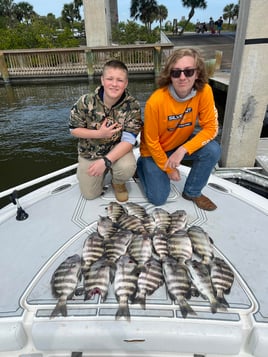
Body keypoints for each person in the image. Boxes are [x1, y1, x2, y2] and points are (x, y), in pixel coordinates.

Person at [137, 48, 221, 211]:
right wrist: (168, 169)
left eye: (189, 71)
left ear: (197, 73)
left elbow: (210, 128)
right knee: (158, 199)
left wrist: (183, 149)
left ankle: (192, 192)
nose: (183, 77)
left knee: (213, 150)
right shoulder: (155, 102)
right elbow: (151, 141)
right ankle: (141, 166)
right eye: (176, 73)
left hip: (179, 145)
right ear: (170, 75)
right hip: (154, 151)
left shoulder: (205, 91)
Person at [69, 59, 142, 202]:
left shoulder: (133, 106)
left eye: (120, 80)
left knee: (128, 167)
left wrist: (105, 162)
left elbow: (129, 140)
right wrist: (99, 134)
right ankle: (97, 173)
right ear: (102, 80)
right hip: (90, 152)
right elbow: (73, 129)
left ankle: (118, 182)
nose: (114, 84)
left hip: (117, 151)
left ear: (126, 83)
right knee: (90, 195)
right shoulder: (85, 101)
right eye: (110, 79)